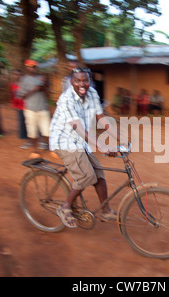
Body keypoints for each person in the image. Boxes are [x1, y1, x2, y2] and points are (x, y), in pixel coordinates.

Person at [49, 67, 124, 228]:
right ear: (71, 82)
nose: (82, 84)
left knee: (99, 174)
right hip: (65, 140)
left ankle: (106, 210)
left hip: (81, 140)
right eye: (78, 80)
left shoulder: (92, 94)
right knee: (86, 176)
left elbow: (101, 119)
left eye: (85, 80)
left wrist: (119, 138)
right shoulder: (66, 99)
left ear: (89, 81)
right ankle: (65, 207)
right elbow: (78, 128)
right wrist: (102, 146)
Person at [17, 59, 50, 154]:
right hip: (30, 109)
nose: (33, 68)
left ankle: (50, 149)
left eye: (35, 66)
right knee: (32, 131)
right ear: (27, 68)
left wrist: (44, 85)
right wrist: (34, 89)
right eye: (31, 67)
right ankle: (35, 151)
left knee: (47, 131)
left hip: (43, 107)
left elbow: (47, 94)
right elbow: (21, 95)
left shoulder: (42, 78)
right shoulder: (24, 79)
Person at [9, 69, 30, 147]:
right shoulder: (12, 84)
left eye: (18, 74)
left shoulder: (24, 84)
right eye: (15, 74)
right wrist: (12, 103)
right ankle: (23, 135)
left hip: (25, 104)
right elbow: (12, 95)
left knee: (27, 120)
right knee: (21, 120)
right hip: (18, 105)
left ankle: (30, 135)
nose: (17, 76)